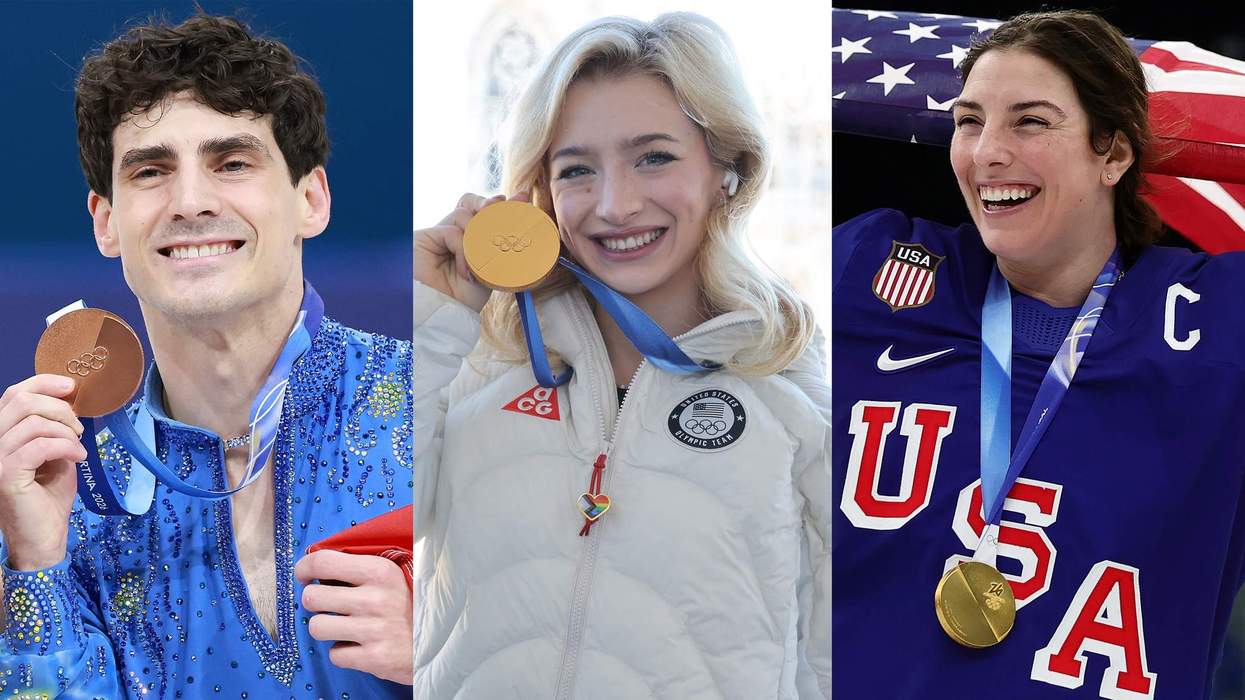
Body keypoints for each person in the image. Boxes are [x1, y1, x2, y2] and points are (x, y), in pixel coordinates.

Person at [413, 12, 830, 699]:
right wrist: (431, 317)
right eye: (577, 170)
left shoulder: (795, 397)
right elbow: (363, 512)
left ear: (726, 167)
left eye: (653, 157)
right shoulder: (471, 363)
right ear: (538, 193)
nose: (614, 204)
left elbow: (827, 662)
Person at [833, 9, 1245, 699]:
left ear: (1113, 154)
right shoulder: (867, 271)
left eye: (1029, 121)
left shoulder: (1218, 326)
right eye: (967, 121)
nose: (986, 151)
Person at [0, 14, 413, 697]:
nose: (190, 202)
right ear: (106, 222)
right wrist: (37, 561)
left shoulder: (442, 408)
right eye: (151, 172)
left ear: (310, 199)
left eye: (232, 163)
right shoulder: (59, 489)